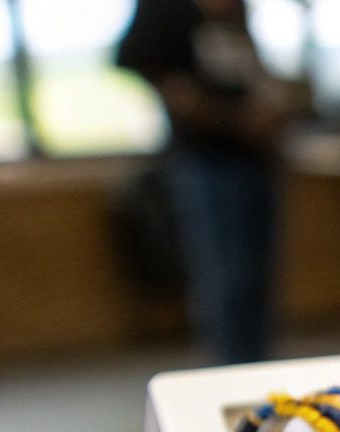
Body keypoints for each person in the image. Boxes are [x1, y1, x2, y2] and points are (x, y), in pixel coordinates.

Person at [117, 0, 298, 365]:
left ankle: (254, 368)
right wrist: (214, 112)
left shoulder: (234, 12)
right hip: (206, 161)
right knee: (227, 276)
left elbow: (244, 66)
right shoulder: (165, 10)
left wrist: (271, 105)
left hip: (256, 159)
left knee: (257, 277)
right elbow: (136, 61)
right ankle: (230, 371)